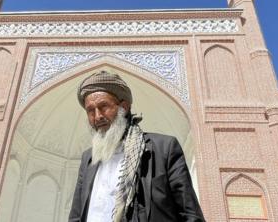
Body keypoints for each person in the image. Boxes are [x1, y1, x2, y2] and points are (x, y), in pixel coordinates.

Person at [69, 71, 205, 222]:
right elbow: (76, 216)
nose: (98, 116)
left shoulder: (162, 149)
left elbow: (190, 214)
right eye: (90, 110)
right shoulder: (88, 159)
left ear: (124, 107)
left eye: (103, 106)